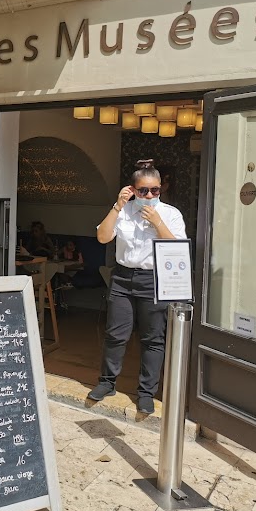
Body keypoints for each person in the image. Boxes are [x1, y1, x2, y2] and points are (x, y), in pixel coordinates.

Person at [88, 159, 186, 415]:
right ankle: (107, 383)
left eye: (155, 190)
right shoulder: (124, 211)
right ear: (132, 189)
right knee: (116, 334)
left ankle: (146, 393)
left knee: (153, 338)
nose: (150, 195)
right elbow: (102, 237)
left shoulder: (171, 214)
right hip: (122, 277)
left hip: (154, 280)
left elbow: (176, 249)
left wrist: (157, 222)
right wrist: (118, 206)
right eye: (143, 190)